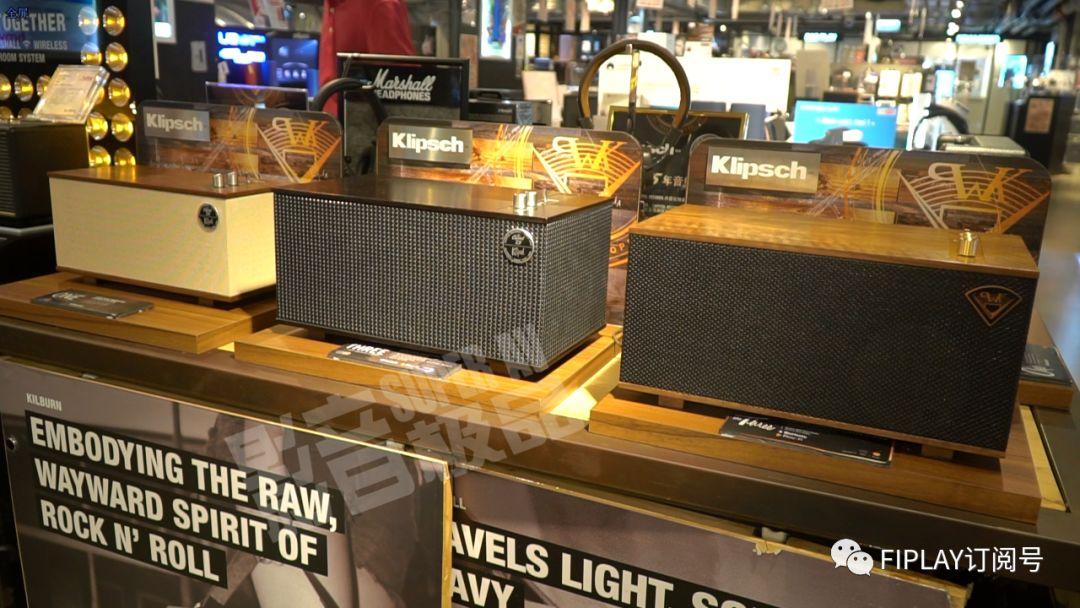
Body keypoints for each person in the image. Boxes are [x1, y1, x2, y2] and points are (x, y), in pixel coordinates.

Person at [318, 0, 416, 115]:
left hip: (361, 123)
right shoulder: (331, 5)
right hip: (329, 122)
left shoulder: (381, 4)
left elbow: (401, 95)